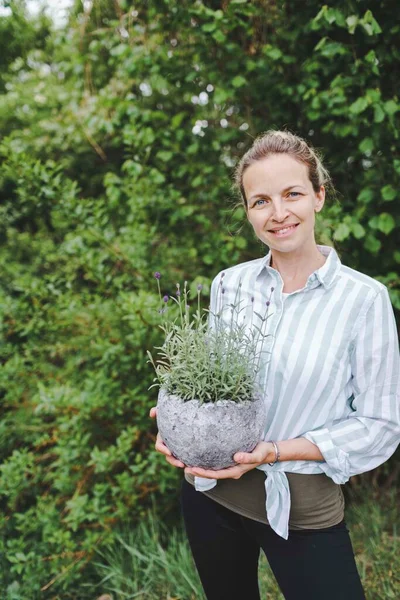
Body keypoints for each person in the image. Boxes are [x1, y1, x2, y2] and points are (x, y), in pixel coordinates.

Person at [150, 130, 400, 600]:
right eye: (260, 200)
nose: (278, 213)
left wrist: (277, 450)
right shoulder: (230, 283)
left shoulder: (364, 299)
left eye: (292, 194)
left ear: (319, 196)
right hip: (210, 493)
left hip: (304, 507)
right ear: (247, 211)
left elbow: (380, 425)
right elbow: (212, 388)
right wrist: (175, 415)